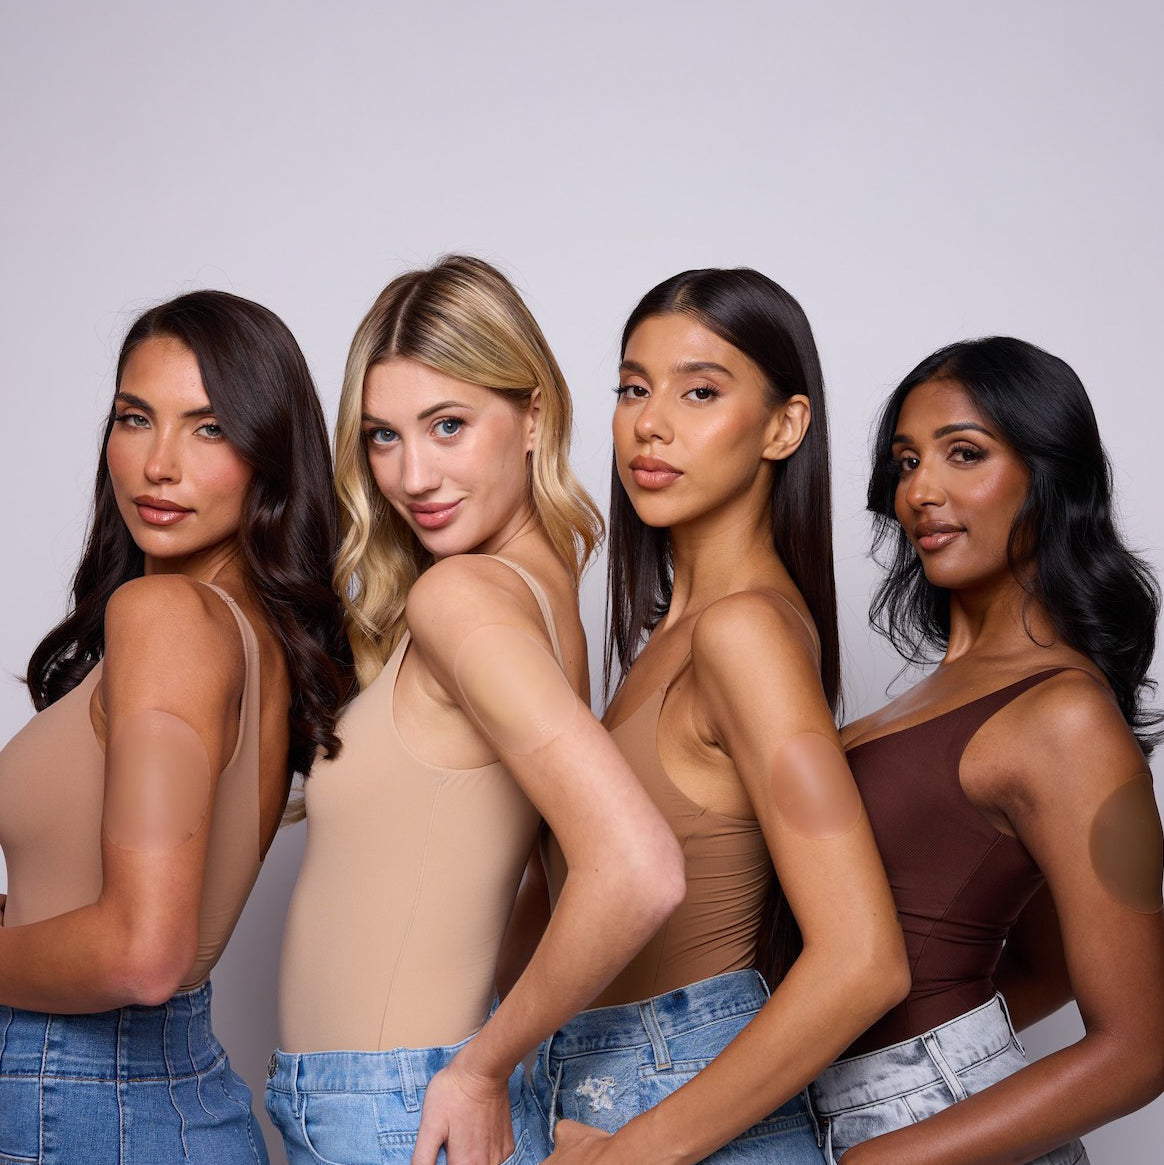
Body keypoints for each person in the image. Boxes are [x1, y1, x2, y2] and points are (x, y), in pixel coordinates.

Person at [267, 255, 685, 1165]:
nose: (412, 474)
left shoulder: (463, 598)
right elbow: (537, 889)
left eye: (447, 425)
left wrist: (482, 1067)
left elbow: (637, 867)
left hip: (393, 1113)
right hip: (397, 1104)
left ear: (532, 416)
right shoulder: (543, 600)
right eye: (383, 436)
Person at [525, 268, 909, 1164]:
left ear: (786, 426)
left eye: (700, 391)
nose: (649, 423)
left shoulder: (745, 635)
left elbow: (864, 958)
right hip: (594, 1086)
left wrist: (628, 1155)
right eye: (632, 388)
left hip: (679, 1104)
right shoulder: (669, 639)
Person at [0, 290, 350, 1164]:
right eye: (135, 416)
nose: (158, 463)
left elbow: (144, 953)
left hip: (79, 1102)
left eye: (208, 428)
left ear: (269, 452)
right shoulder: (254, 632)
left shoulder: (166, 617)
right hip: (151, 1101)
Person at [809, 337, 1164, 1164]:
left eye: (963, 454)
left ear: (1049, 477)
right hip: (860, 1111)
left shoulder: (1069, 715)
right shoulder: (939, 695)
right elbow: (1047, 962)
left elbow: (1143, 1045)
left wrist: (887, 1143)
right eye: (904, 463)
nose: (920, 491)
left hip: (918, 1140)